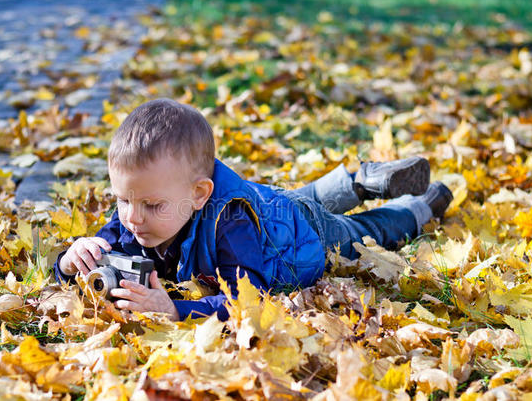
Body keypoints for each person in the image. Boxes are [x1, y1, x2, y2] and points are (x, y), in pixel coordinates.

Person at [53, 98, 453, 321]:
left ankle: (419, 204)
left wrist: (176, 309)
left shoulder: (229, 225)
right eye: (123, 200)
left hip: (299, 240)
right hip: (271, 206)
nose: (132, 218)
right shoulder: (137, 212)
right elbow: (95, 259)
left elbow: (249, 297)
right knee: (298, 198)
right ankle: (359, 180)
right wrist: (70, 262)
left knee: (361, 234)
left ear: (198, 194)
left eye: (151, 205)